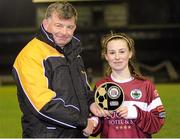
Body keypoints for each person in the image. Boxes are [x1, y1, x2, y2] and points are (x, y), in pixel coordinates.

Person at [12, 1, 105, 138]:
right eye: (59, 25)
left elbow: (83, 91)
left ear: (75, 27)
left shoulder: (74, 53)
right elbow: (43, 106)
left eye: (69, 27)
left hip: (76, 134)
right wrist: (83, 123)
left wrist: (91, 103)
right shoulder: (31, 55)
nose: (64, 32)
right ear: (46, 24)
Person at [92, 32, 166, 138]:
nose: (117, 57)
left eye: (122, 52)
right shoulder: (101, 86)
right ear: (106, 56)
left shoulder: (145, 85)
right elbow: (97, 123)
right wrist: (93, 122)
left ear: (130, 53)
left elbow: (158, 121)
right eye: (112, 53)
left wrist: (135, 112)